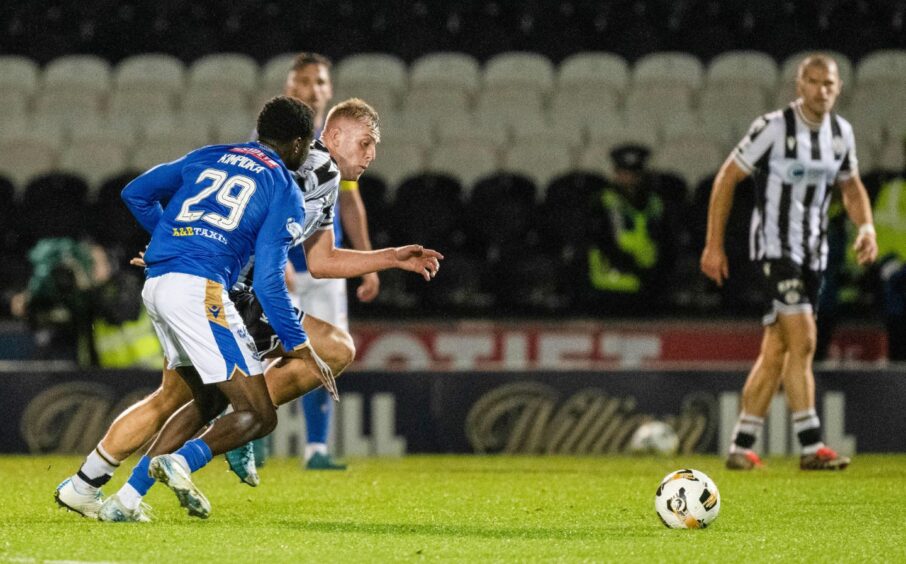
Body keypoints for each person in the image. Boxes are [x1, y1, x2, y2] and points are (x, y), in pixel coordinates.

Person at [54, 98, 443, 521]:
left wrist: (390, 257)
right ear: (328, 137)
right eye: (365, 143)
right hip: (222, 293)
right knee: (316, 360)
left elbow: (322, 260)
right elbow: (269, 273)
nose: (371, 155)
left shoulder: (302, 174)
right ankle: (227, 435)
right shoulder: (302, 173)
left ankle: (97, 488)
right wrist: (193, 248)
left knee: (184, 398)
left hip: (196, 283)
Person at [93, 95, 317, 521]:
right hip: (199, 291)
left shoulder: (213, 155)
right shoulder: (284, 187)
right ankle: (180, 461)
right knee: (258, 415)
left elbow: (135, 193)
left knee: (207, 398)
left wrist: (173, 241)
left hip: (158, 285)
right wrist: (298, 343)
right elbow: (270, 281)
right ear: (297, 143)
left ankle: (121, 500)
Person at [700, 54, 878, 471]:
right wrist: (713, 245)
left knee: (778, 348)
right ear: (799, 86)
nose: (821, 90)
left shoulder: (841, 133)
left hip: (814, 255)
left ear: (838, 87)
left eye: (829, 83)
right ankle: (811, 445)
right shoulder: (773, 128)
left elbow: (851, 187)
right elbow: (727, 176)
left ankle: (741, 446)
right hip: (775, 250)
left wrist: (866, 227)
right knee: (805, 340)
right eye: (813, 82)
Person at [280, 52, 378, 470]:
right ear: (290, 87)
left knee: (328, 356)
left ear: (330, 89)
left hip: (326, 263)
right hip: (282, 265)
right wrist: (271, 258)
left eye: (320, 81)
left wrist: (368, 259)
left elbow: (351, 204)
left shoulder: (338, 138)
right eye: (304, 81)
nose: (313, 89)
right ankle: (248, 433)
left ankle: (316, 448)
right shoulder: (278, 131)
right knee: (266, 353)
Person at [586, 144, 678, 314]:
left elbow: (665, 240)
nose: (629, 178)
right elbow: (601, 241)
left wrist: (655, 274)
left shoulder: (655, 203)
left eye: (634, 173)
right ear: (615, 172)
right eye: (624, 172)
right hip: (609, 286)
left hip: (648, 285)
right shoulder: (603, 201)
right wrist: (633, 268)